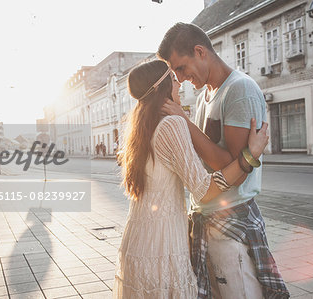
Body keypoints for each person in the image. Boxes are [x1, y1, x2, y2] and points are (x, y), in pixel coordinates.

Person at [113, 60, 269, 298]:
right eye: (174, 80)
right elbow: (203, 190)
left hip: (137, 243)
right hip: (163, 247)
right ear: (162, 87)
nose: (180, 85)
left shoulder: (140, 128)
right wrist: (249, 157)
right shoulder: (171, 124)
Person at [157, 22, 289, 298]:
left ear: (200, 51)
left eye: (181, 68)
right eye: (175, 72)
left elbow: (231, 167)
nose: (179, 78)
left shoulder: (240, 89)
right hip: (208, 219)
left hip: (233, 222)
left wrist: (183, 120)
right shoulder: (205, 94)